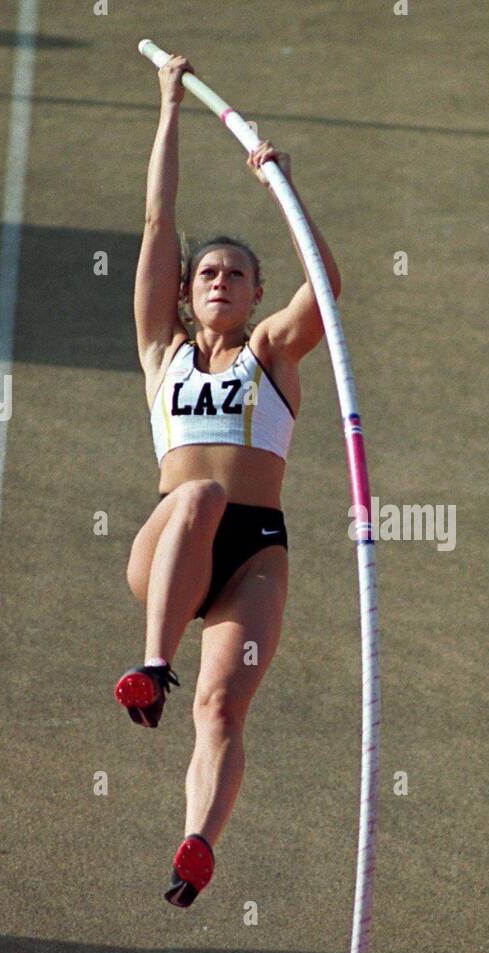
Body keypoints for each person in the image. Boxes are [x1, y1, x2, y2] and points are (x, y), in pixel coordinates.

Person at [117, 54, 341, 908]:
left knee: (221, 711)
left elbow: (324, 291)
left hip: (253, 555)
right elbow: (157, 218)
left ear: (253, 295)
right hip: (173, 549)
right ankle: (150, 663)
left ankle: (197, 845)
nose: (219, 282)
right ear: (186, 289)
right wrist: (170, 105)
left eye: (236, 276)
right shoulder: (159, 351)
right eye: (207, 273)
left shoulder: (271, 353)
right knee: (199, 496)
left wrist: (284, 191)